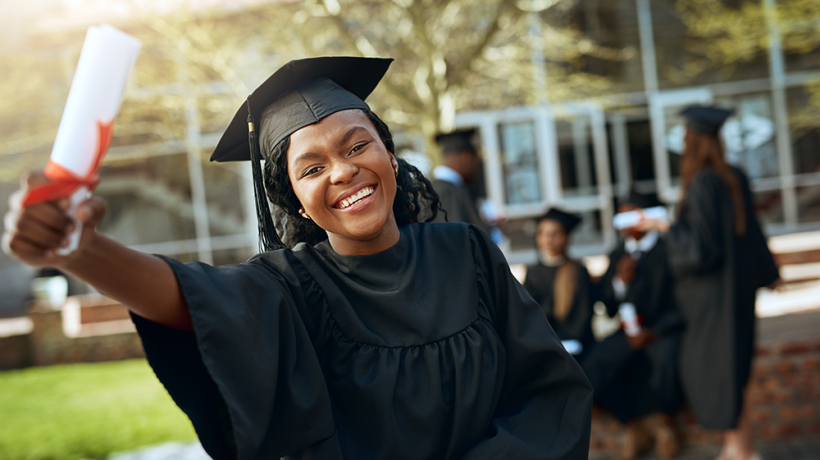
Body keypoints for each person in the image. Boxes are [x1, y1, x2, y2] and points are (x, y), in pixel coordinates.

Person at [2, 56, 593, 460]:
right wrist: (80, 250)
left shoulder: (466, 252)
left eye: (357, 145)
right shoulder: (291, 286)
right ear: (296, 201)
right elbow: (185, 296)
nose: (343, 171)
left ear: (390, 154)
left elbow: (550, 393)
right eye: (312, 168)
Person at [640, 105, 781, 460]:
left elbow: (700, 249)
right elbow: (753, 233)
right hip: (737, 290)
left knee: (718, 368)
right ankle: (736, 446)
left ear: (692, 142)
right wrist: (768, 272)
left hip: (713, 296)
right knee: (734, 366)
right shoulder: (734, 176)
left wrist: (664, 227)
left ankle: (743, 450)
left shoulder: (703, 182)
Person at [581, 191, 685, 460]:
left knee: (667, 362)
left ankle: (665, 425)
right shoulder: (618, 254)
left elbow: (682, 302)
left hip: (663, 329)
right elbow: (608, 306)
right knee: (593, 366)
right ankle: (632, 425)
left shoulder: (668, 249)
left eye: (631, 216)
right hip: (628, 330)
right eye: (621, 217)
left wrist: (655, 331)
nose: (624, 224)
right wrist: (620, 282)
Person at [523, 208, 595, 360]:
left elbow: (584, 312)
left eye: (555, 234)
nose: (548, 239)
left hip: (577, 344)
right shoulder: (533, 273)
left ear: (567, 237)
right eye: (542, 233)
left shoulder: (578, 271)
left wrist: (566, 340)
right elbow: (529, 314)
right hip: (545, 344)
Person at [430, 129, 487, 230]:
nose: (477, 169)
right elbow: (459, 235)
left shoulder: (432, 188)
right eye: (476, 161)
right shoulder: (450, 192)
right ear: (466, 158)